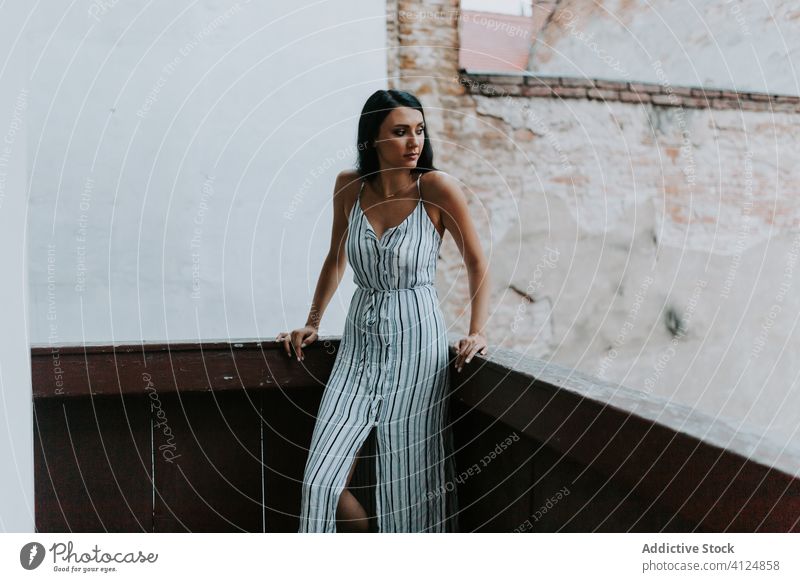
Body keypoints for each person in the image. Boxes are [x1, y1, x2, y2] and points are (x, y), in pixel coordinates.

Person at [278, 89, 490, 532]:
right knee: (322, 485)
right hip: (359, 347)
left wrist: (477, 330)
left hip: (418, 346)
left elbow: (475, 259)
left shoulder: (436, 188)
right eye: (399, 132)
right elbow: (336, 258)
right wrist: (312, 323)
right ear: (372, 138)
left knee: (406, 489)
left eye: (419, 130)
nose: (414, 142)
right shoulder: (349, 186)